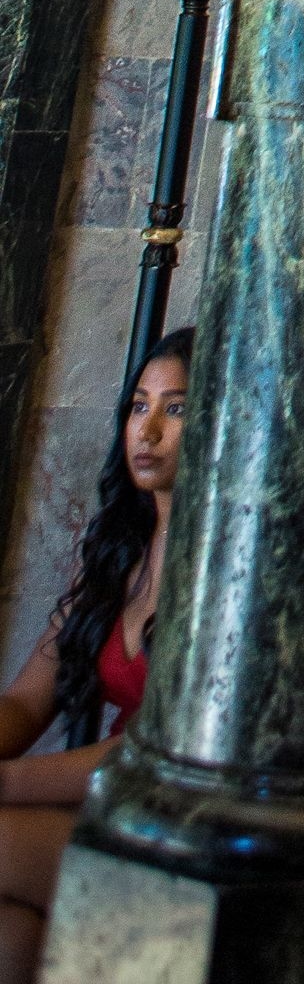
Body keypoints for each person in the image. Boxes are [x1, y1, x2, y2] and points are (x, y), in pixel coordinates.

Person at [0, 332, 190, 982]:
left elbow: (158, 750)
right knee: (10, 929)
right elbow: (25, 701)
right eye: (140, 406)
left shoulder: (229, 573)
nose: (150, 428)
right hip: (98, 815)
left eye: (178, 408)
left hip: (173, 834)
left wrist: (6, 782)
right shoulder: (119, 555)